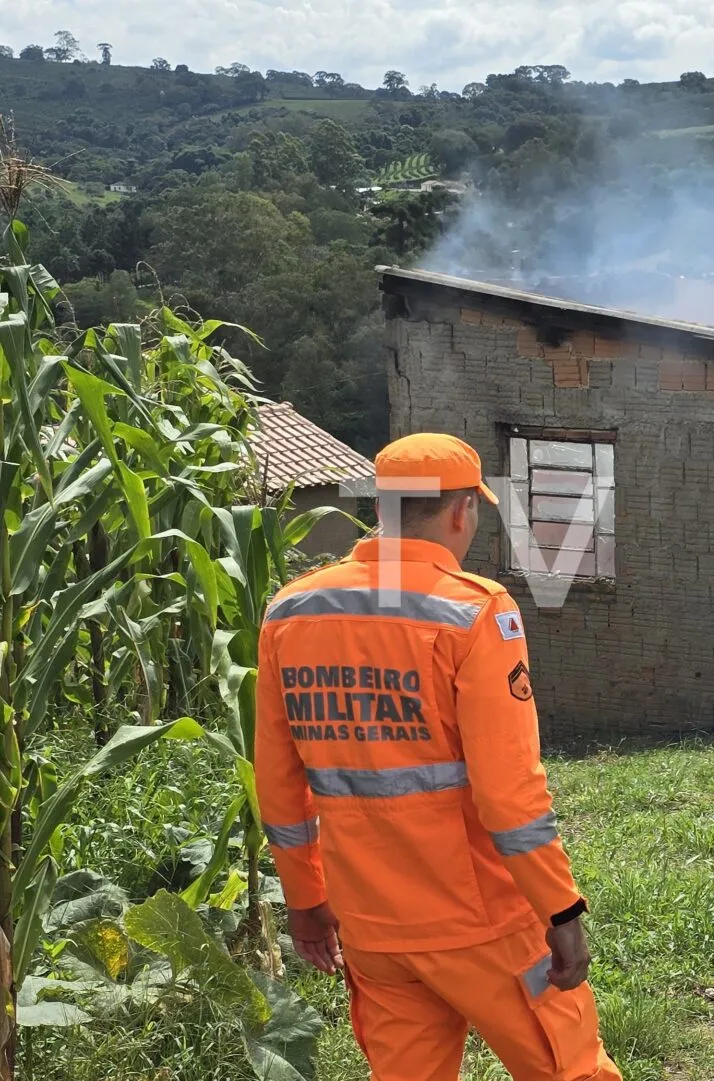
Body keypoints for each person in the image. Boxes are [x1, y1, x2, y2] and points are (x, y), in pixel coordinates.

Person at [254, 433, 621, 1081]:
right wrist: (561, 910)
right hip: (481, 922)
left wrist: (305, 899)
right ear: (461, 511)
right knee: (570, 1070)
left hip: (371, 927)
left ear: (382, 509)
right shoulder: (475, 610)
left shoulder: (291, 610)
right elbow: (509, 795)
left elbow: (280, 783)